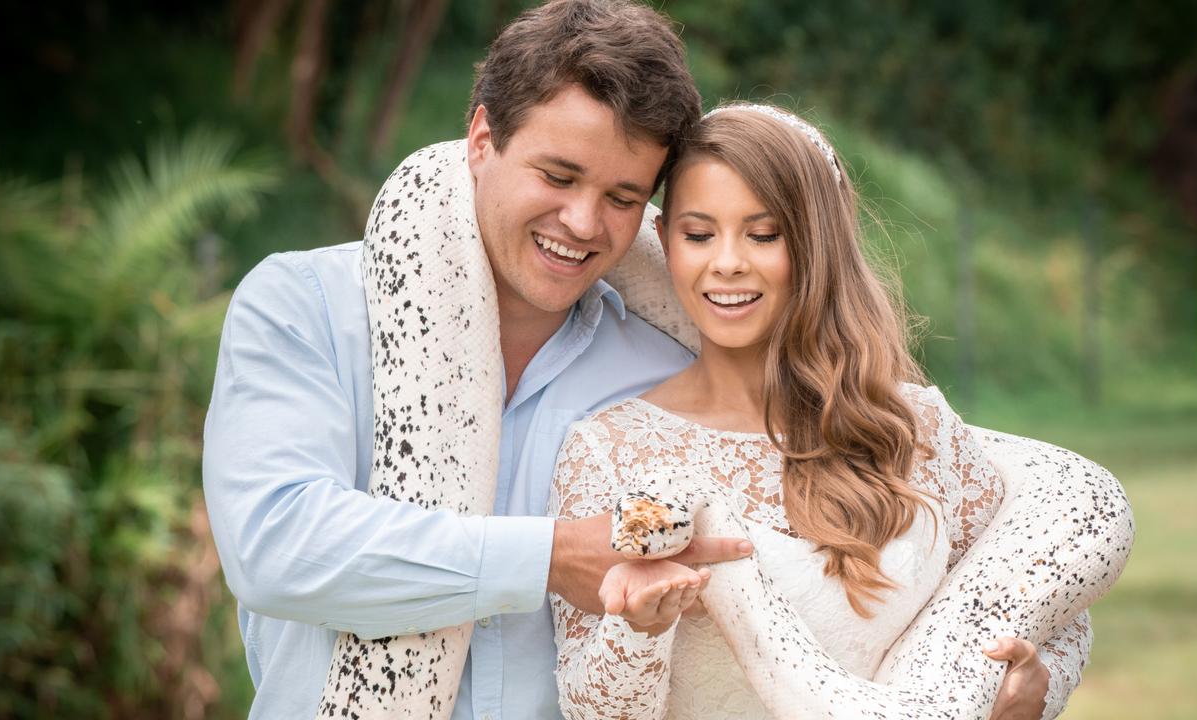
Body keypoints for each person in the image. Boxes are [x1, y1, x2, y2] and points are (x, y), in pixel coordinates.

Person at [203, 1, 1078, 719]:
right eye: (557, 174)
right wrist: (548, 556)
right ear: (479, 139)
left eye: (622, 196)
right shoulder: (305, 308)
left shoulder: (661, 362)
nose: (583, 223)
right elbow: (277, 546)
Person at [549, 105, 1108, 719]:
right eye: (699, 234)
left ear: (818, 245)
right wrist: (639, 629)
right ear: (666, 242)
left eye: (764, 235)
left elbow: (1057, 610)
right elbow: (588, 707)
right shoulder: (612, 450)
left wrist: (1038, 687)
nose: (727, 262)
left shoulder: (914, 426)